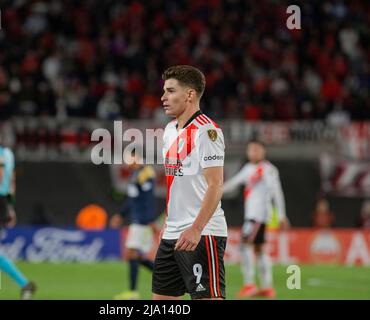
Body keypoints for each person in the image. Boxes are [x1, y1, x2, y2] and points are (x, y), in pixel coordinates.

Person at [152, 65, 227, 300]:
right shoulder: (169, 130)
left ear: (190, 95)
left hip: (201, 234)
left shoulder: (207, 131)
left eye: (170, 91)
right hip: (172, 233)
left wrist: (196, 228)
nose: (163, 97)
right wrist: (170, 221)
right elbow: (179, 183)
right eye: (164, 91)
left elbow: (216, 185)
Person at [0, 119, 36, 300]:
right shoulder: (8, 152)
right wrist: (10, 207)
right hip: (2, 201)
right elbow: (11, 181)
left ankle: (24, 283)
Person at [223, 140, 289, 298]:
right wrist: (215, 190)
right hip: (252, 215)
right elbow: (233, 183)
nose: (253, 152)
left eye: (256, 150)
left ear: (263, 152)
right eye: (251, 150)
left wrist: (281, 215)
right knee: (259, 249)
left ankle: (249, 284)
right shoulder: (248, 168)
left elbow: (276, 193)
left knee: (245, 246)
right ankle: (267, 286)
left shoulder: (268, 170)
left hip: (258, 216)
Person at [111, 149, 158, 300]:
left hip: (143, 221)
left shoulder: (146, 173)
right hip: (137, 220)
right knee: (135, 256)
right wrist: (121, 215)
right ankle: (168, 277)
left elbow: (148, 199)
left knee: (132, 254)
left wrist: (150, 219)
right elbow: (132, 200)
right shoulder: (135, 175)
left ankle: (133, 292)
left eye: (129, 158)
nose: (127, 162)